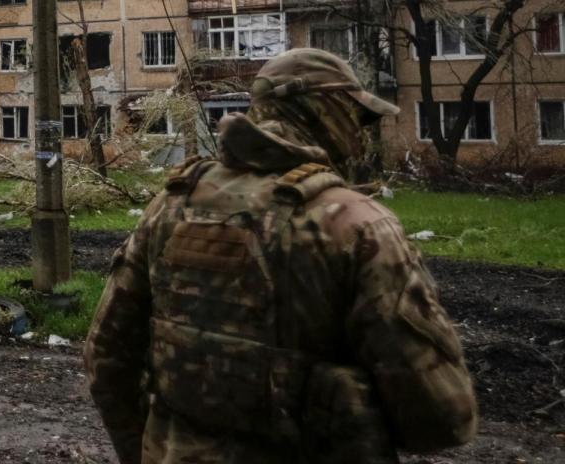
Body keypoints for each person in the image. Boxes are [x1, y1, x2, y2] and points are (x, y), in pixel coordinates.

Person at [84, 48, 478, 464]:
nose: (361, 134)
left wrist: (144, 452)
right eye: (357, 118)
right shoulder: (356, 224)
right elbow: (443, 416)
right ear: (326, 113)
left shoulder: (171, 205)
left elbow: (106, 358)